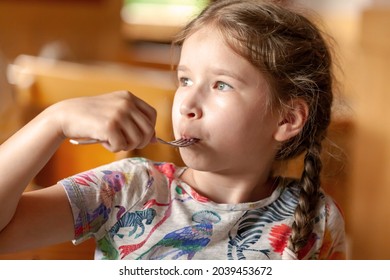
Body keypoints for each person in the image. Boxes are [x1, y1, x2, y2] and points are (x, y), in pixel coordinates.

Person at [0, 0, 346, 260]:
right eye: (185, 79)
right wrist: (54, 121)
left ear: (287, 119)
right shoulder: (129, 188)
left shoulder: (319, 216)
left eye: (221, 85)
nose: (185, 103)